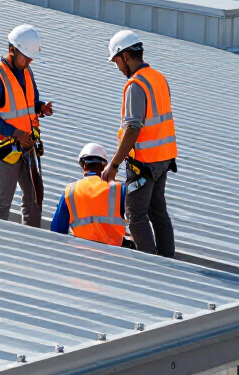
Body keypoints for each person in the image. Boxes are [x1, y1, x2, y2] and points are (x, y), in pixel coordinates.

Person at [103, 30, 178, 257]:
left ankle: (150, 267)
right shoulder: (158, 77)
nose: (117, 67)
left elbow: (133, 128)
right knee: (158, 212)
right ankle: (168, 259)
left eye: (116, 60)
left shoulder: (136, 85)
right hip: (163, 158)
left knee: (135, 215)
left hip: (144, 163)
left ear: (125, 57)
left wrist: (114, 164)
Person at [0, 24, 54, 226]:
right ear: (12, 49)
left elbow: (29, 104)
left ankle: (33, 242)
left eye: (31, 58)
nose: (29, 61)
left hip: (27, 149)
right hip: (6, 151)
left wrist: (41, 108)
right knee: (3, 201)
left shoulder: (27, 71)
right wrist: (15, 133)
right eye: (26, 56)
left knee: (34, 200)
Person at [51, 143, 127, 245]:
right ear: (104, 166)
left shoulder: (70, 191)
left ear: (82, 166)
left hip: (81, 253)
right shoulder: (117, 189)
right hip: (115, 254)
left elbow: (57, 231)